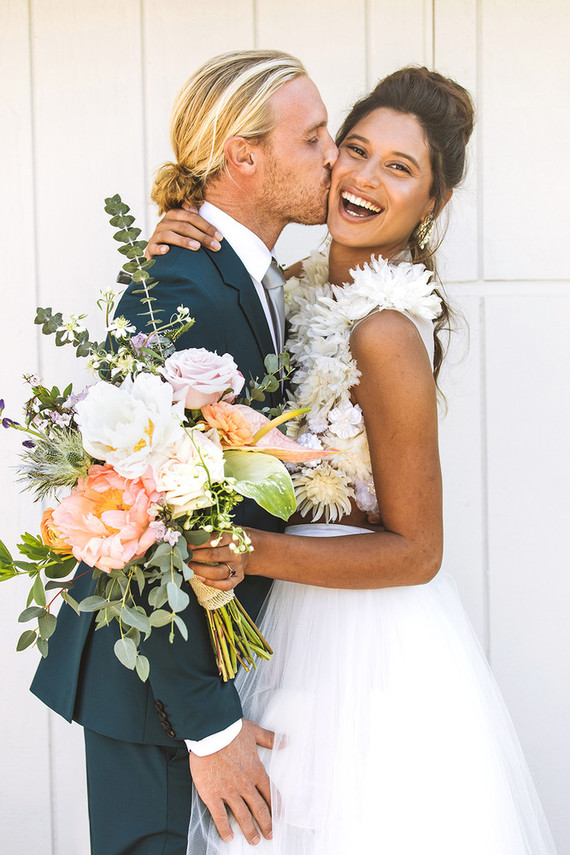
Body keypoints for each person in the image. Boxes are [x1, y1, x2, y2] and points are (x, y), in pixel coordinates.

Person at [149, 67, 557, 854]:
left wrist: (250, 550)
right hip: (281, 618)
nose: (365, 178)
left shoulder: (386, 332)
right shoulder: (286, 285)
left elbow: (419, 550)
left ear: (431, 203)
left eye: (399, 168)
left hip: (363, 643)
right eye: (356, 149)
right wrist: (179, 225)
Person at [30, 49, 337, 855]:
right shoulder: (181, 286)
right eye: (313, 139)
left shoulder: (243, 275)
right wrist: (209, 728)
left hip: (197, 667)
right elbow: (148, 520)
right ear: (243, 154)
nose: (333, 155)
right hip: (158, 689)